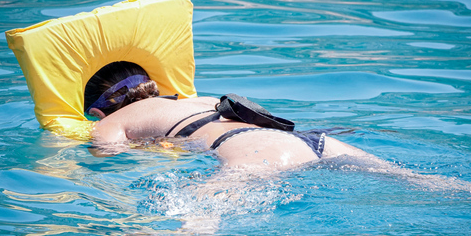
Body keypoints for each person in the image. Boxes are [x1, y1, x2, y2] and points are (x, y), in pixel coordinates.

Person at [85, 61, 372, 170]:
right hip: (312, 142)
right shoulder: (200, 99)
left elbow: (110, 160)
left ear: (97, 112)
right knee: (414, 181)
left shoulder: (111, 122)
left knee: (191, 228)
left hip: (247, 151)